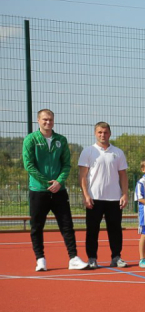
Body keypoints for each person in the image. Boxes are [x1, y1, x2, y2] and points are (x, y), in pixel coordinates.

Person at [22, 109, 89, 271]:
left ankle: (73, 258)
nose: (48, 122)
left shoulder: (61, 140)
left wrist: (59, 181)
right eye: (45, 119)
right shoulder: (30, 140)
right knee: (37, 226)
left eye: (50, 119)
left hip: (59, 191)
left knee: (67, 225)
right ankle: (40, 259)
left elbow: (66, 164)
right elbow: (29, 165)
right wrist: (47, 182)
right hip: (38, 190)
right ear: (38, 121)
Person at [78, 121, 129, 269]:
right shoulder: (87, 151)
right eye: (100, 132)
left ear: (110, 134)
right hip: (94, 198)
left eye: (105, 132)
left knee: (115, 230)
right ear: (95, 133)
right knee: (92, 230)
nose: (103, 135)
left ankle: (116, 257)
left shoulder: (118, 152)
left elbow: (123, 175)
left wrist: (124, 194)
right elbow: (82, 176)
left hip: (114, 198)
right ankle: (92, 258)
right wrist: (86, 195)